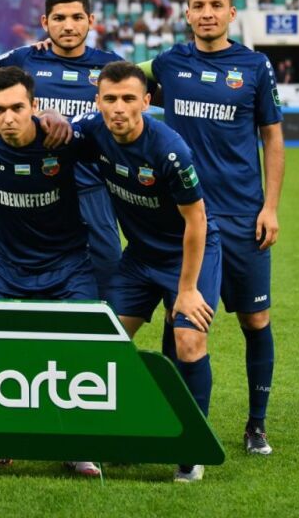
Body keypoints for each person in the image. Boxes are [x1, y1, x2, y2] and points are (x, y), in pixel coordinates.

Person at [142, 0, 284, 455]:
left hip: (242, 215)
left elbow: (272, 138)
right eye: (199, 5)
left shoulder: (255, 66)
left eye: (216, 5)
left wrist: (270, 207)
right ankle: (175, 420)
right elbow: (115, 74)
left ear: (231, 12)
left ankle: (256, 424)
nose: (207, 13)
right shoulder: (168, 63)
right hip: (184, 218)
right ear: (186, 13)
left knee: (255, 318)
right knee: (178, 317)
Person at [73, 61, 221, 483]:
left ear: (147, 101)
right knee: (105, 341)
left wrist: (187, 290)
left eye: (128, 99)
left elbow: (197, 221)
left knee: (189, 341)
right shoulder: (93, 131)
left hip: (188, 255)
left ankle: (191, 447)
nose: (118, 107)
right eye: (110, 99)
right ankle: (107, 432)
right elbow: (57, 130)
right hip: (139, 258)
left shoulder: (170, 150)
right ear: (97, 101)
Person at [0, 66, 99, 477]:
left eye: (17, 108)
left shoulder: (63, 140)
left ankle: (77, 446)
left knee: (81, 350)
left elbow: (104, 132)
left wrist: (62, 118)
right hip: (7, 268)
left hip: (68, 265)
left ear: (34, 106)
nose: (8, 118)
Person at [0, 0, 124, 302]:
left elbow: (147, 93)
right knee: (36, 278)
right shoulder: (23, 59)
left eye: (77, 17)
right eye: (59, 18)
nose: (68, 26)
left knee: (107, 276)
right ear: (45, 22)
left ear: (90, 20)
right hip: (37, 190)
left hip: (92, 189)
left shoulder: (110, 66)